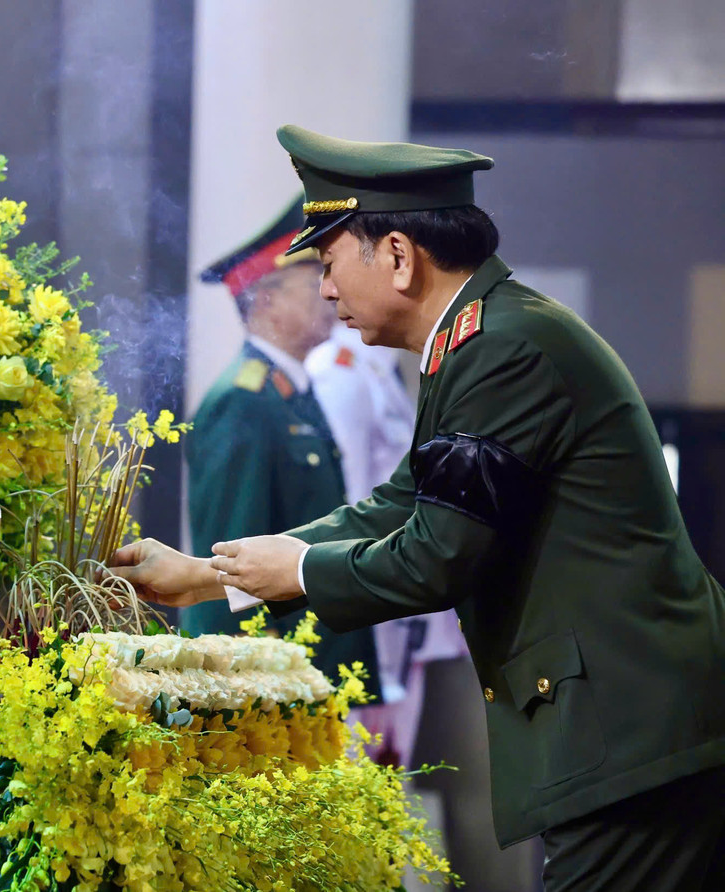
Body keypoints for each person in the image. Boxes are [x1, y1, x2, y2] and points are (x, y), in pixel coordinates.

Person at [112, 125, 725, 890]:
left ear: (398, 257)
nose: (327, 288)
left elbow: (435, 555)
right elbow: (395, 507)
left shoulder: (503, 350)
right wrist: (206, 576)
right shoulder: (480, 340)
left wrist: (296, 569)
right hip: (634, 723)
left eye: (330, 263)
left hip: (634, 731)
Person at [185, 198, 380, 700]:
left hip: (309, 659)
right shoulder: (243, 402)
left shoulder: (293, 393)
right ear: (265, 299)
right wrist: (238, 681)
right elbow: (230, 551)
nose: (329, 292)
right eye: (312, 282)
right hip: (270, 672)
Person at [308, 320, 465, 768]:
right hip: (372, 607)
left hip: (398, 612)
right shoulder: (341, 372)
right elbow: (356, 507)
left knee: (390, 768)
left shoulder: (380, 367)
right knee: (359, 763)